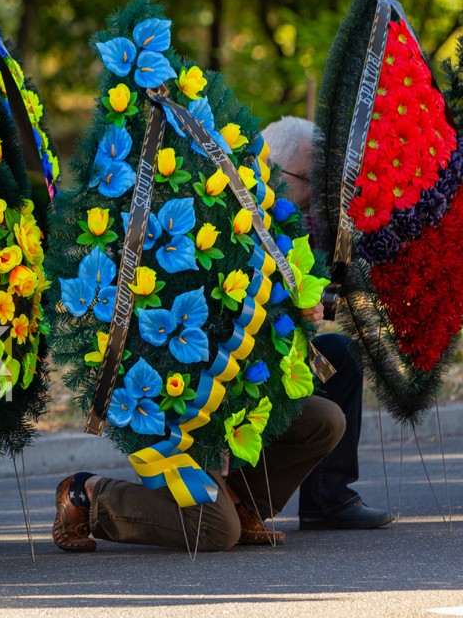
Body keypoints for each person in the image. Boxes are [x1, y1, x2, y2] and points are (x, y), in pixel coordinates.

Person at [261, 115, 394, 530]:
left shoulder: (296, 215)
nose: (314, 194)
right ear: (275, 170)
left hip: (286, 347)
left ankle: (327, 499)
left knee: (341, 354)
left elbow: (328, 290)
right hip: (246, 357)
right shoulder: (237, 213)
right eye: (309, 179)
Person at [53, 392, 345, 552]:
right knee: (217, 532)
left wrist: (303, 312)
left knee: (324, 419)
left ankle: (237, 501)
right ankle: (89, 494)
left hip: (238, 394)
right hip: (175, 405)